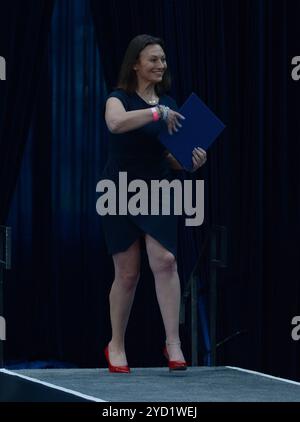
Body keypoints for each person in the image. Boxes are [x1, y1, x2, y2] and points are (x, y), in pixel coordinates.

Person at [101, 34, 207, 373]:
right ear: (136, 64)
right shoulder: (119, 99)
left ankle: (172, 342)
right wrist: (155, 113)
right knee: (128, 273)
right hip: (119, 190)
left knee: (166, 260)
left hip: (158, 188)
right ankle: (116, 344)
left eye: (163, 60)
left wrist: (190, 161)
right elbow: (116, 124)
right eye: (153, 60)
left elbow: (170, 159)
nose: (160, 65)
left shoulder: (170, 104)